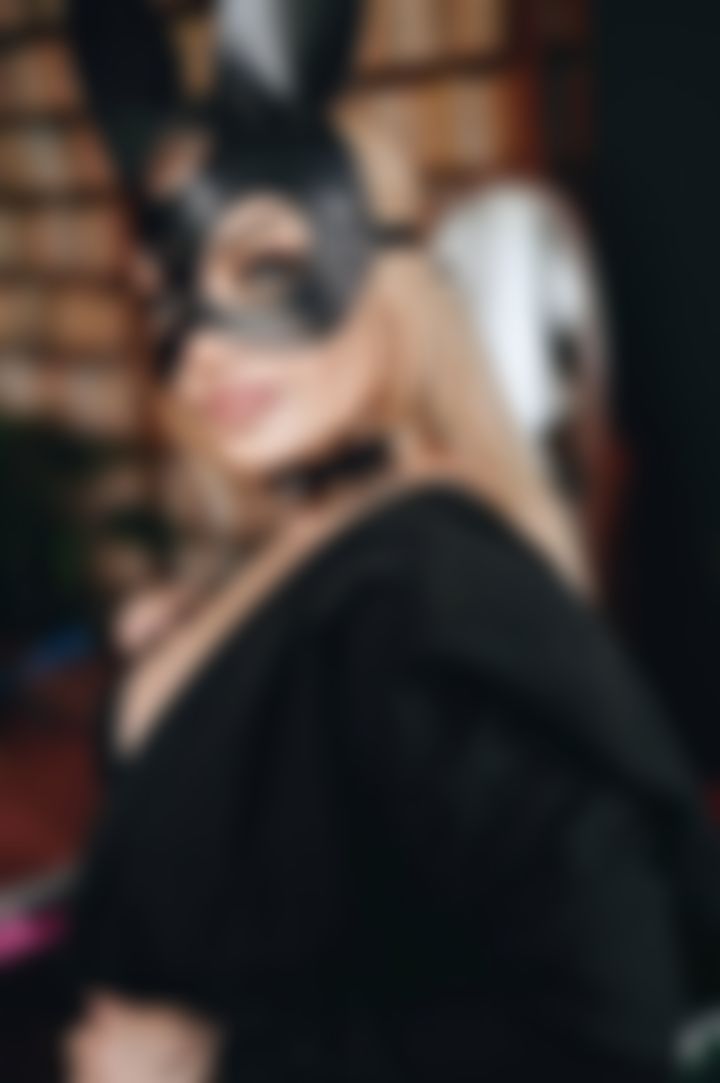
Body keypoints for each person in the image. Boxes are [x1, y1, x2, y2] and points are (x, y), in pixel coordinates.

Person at [63, 2, 720, 1080]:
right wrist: (210, 654)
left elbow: (602, 1040)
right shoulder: (341, 531)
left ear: (389, 276)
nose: (204, 351)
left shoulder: (426, 607)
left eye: (264, 272)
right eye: (166, 296)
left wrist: (214, 1062)